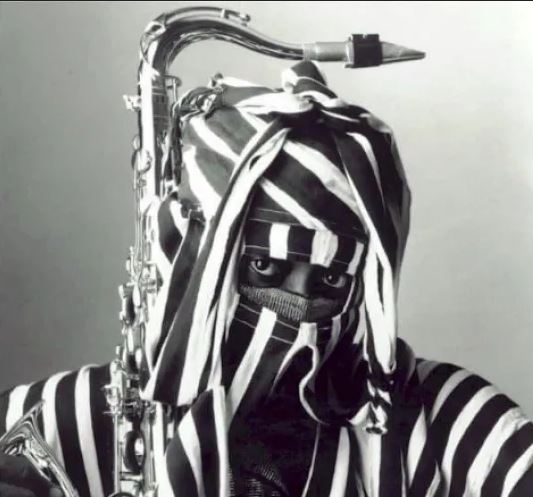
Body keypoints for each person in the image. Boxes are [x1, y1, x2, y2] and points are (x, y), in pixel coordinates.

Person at [1, 61, 532, 497]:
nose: (298, 310)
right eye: (264, 268)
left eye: (330, 280)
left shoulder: (444, 416)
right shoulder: (76, 419)